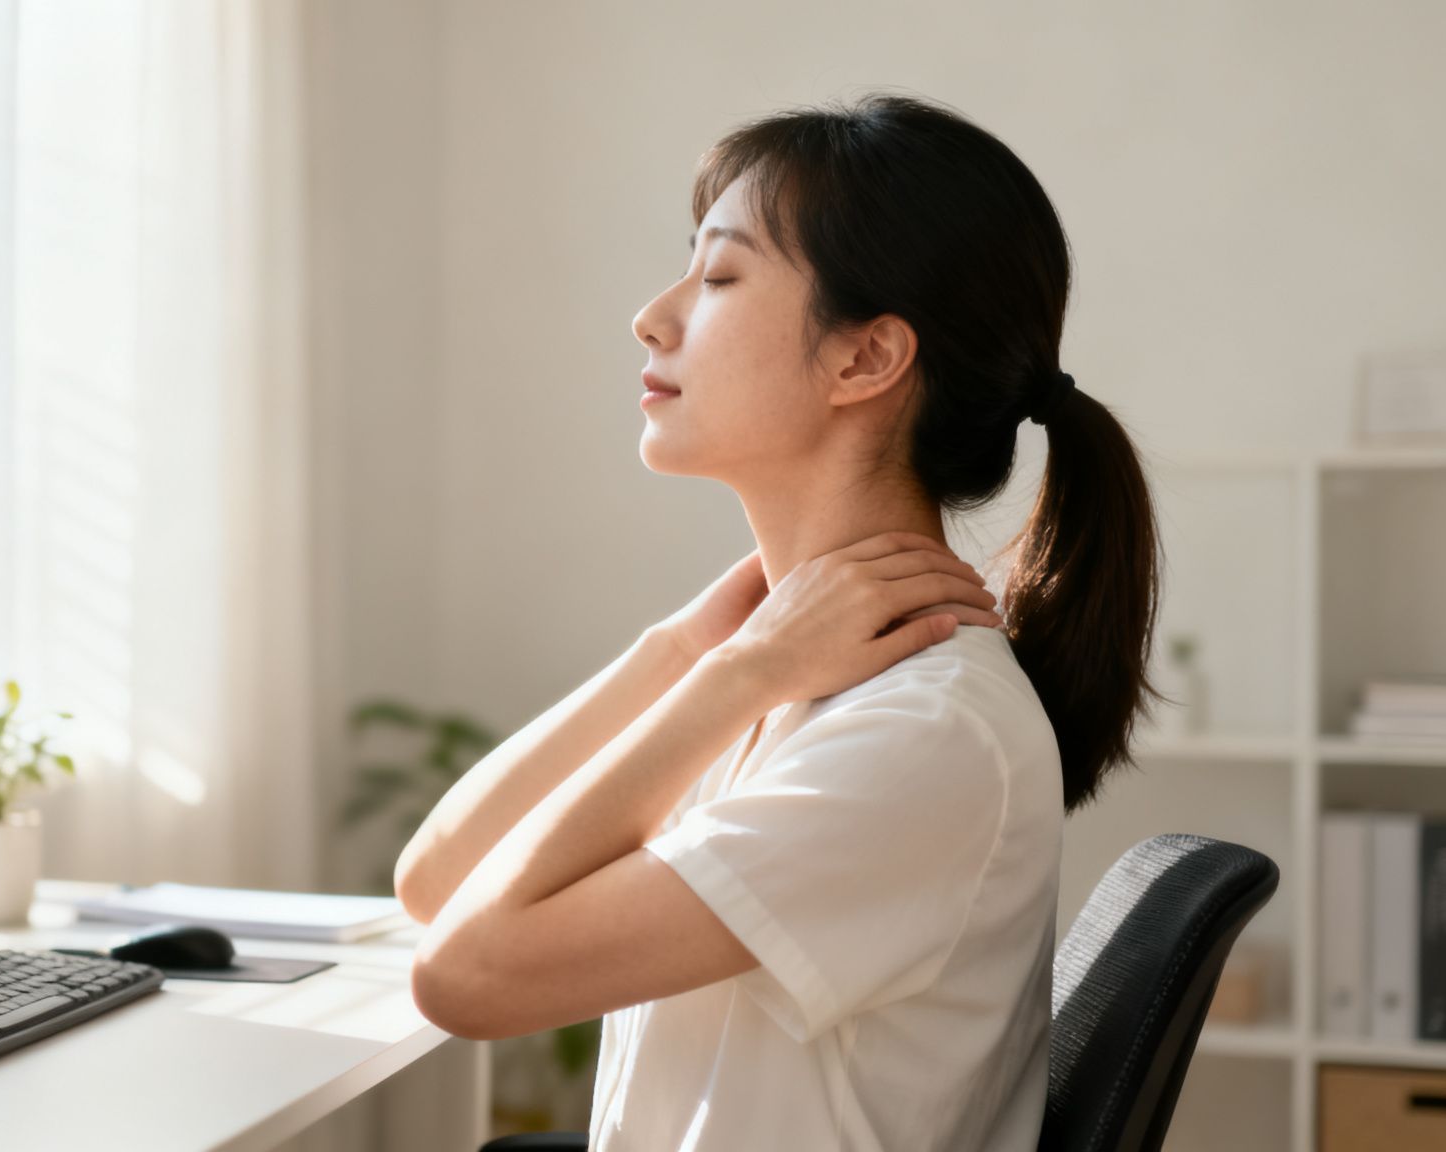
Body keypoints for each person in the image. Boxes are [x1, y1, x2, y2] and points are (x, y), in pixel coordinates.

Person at [394, 90, 1162, 1151]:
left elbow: (466, 978)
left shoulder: (923, 728)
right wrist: (683, 651)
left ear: (863, 360)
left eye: (716, 277)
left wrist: (735, 676)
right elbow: (437, 884)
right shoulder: (798, 663)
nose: (652, 317)